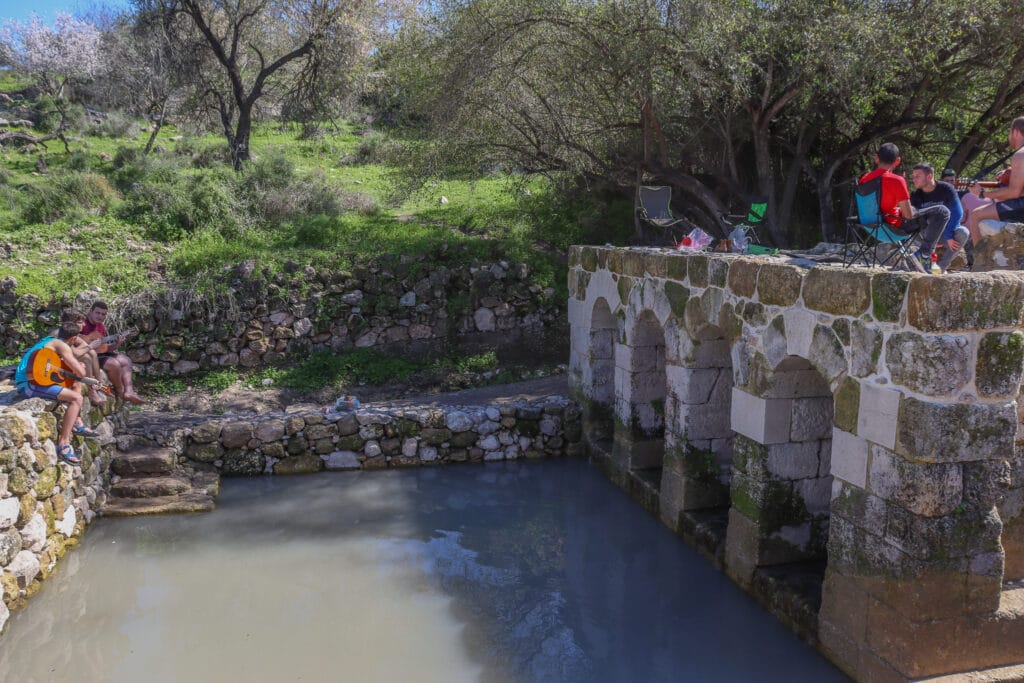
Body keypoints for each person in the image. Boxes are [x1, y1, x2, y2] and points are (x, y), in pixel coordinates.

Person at [13, 322, 99, 465]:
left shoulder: (47, 341)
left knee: (76, 382)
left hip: (31, 380)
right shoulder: (62, 345)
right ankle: (63, 444)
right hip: (28, 384)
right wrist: (82, 367)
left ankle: (76, 422)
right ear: (73, 338)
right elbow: (81, 372)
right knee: (76, 398)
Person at [859, 142, 950, 272]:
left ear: (876, 158)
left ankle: (924, 253)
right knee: (942, 211)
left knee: (916, 211)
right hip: (892, 229)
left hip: (869, 226)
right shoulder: (897, 180)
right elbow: (908, 216)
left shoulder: (864, 179)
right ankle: (924, 255)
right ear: (897, 161)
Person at [967, 117, 1024, 248]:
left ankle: (981, 261)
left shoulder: (1020, 155)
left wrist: (982, 193)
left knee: (976, 215)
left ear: (1015, 132)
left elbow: (1014, 193)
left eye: (1010, 133)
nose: (1009, 138)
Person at [82, 300, 144, 405]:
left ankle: (129, 391)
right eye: (97, 313)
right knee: (113, 364)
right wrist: (88, 345)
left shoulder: (101, 326)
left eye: (103, 314)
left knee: (125, 360)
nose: (100, 316)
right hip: (88, 357)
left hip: (100, 354)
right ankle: (120, 391)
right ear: (91, 311)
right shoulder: (82, 324)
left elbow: (105, 349)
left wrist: (117, 344)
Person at [910, 163, 966, 273]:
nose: (914, 180)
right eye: (913, 176)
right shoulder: (916, 195)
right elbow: (915, 220)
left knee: (963, 232)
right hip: (925, 235)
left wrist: (948, 234)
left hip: (945, 233)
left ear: (929, 176)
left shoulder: (946, 188)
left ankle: (941, 267)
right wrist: (932, 239)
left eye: (918, 176)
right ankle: (924, 260)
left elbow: (958, 213)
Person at [61, 307, 106, 405]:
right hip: (55, 364)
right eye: (81, 322)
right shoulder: (63, 334)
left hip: (65, 360)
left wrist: (89, 347)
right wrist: (90, 347)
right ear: (72, 323)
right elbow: (75, 353)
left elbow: (84, 347)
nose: (84, 324)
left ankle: (99, 384)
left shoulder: (74, 334)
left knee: (92, 353)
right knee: (86, 358)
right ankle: (91, 392)